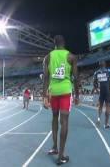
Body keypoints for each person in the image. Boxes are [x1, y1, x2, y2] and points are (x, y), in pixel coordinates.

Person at [43, 35, 79, 165]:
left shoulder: (48, 57)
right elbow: (76, 77)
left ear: (54, 44)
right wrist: (78, 95)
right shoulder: (71, 56)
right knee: (64, 122)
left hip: (53, 92)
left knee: (54, 118)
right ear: (64, 43)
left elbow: (45, 78)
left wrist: (44, 96)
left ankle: (54, 147)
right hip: (65, 92)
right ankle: (61, 156)